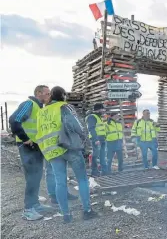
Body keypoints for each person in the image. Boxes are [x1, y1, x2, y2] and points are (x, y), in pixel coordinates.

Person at [9, 85, 75, 221]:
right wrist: (25, 138)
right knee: (32, 177)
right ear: (39, 93)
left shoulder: (40, 108)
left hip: (36, 147)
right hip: (27, 146)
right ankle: (28, 210)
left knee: (37, 176)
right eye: (47, 93)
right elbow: (14, 120)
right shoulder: (29, 104)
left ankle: (35, 204)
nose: (50, 95)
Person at [36, 86, 98, 223]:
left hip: (52, 151)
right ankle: (87, 211)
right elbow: (77, 126)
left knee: (60, 182)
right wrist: (85, 142)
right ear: (63, 96)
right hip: (69, 147)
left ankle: (66, 215)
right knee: (82, 179)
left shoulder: (41, 112)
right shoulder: (64, 107)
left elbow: (39, 133)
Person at [86, 103, 108, 176]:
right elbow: (91, 129)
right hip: (97, 139)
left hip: (102, 139)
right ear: (98, 109)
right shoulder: (92, 117)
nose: (103, 110)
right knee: (96, 156)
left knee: (102, 156)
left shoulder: (99, 117)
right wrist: (95, 139)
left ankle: (104, 172)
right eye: (102, 109)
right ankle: (94, 172)